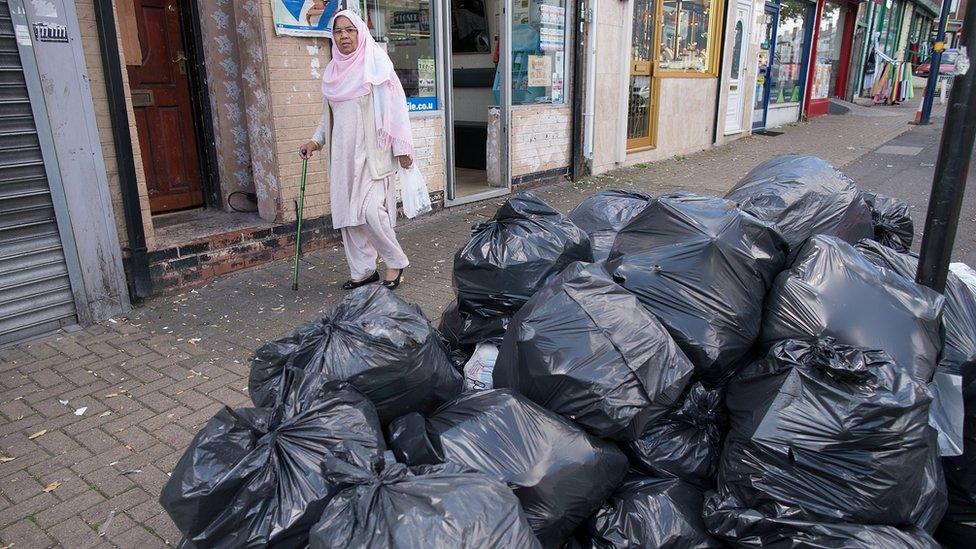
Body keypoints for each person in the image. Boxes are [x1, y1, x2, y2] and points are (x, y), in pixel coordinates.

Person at [300, 9, 414, 290]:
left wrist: (402, 147)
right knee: (347, 218)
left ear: (360, 32)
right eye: (338, 31)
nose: (343, 36)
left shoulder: (375, 64)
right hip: (342, 157)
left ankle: (395, 262)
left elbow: (395, 108)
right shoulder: (332, 72)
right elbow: (328, 117)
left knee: (371, 212)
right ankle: (363, 271)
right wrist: (315, 141)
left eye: (349, 30)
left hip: (372, 154)